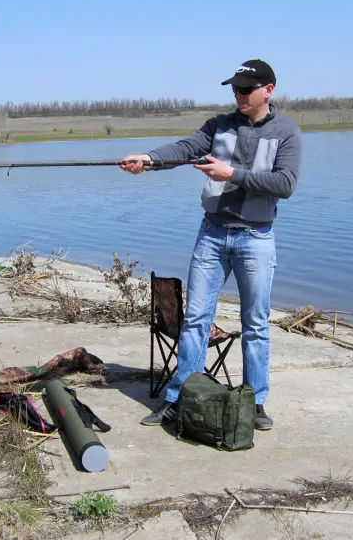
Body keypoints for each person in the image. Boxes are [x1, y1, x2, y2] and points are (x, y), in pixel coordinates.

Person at [120, 59, 302, 431]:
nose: (238, 95)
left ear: (268, 90)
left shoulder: (287, 132)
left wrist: (231, 174)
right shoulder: (218, 126)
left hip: (256, 238)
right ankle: (179, 399)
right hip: (213, 234)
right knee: (196, 320)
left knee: (255, 324)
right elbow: (185, 148)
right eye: (234, 89)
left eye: (245, 89)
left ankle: (255, 403)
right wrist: (149, 159)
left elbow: (286, 184)